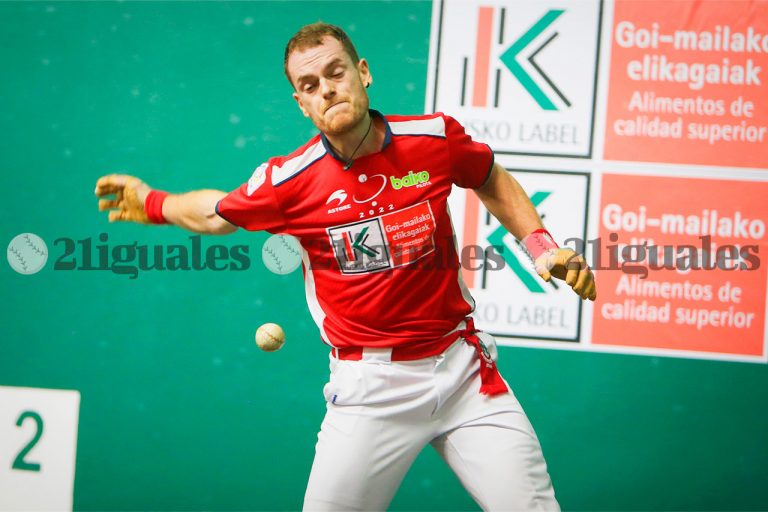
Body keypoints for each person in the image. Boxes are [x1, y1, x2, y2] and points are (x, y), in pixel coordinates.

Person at [95, 22, 596, 511]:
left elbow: (490, 176)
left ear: (363, 72)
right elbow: (215, 213)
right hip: (369, 390)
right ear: (301, 103)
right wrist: (154, 203)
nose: (327, 89)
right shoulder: (288, 182)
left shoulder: (433, 138)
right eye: (310, 85)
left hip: (464, 374)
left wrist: (541, 246)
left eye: (335, 72)